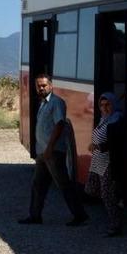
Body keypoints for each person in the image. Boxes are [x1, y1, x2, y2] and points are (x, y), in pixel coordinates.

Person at [18, 74, 88, 226]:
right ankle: (35, 216)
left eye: (44, 85)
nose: (41, 88)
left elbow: (59, 124)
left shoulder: (56, 102)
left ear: (51, 86)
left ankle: (80, 215)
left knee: (63, 184)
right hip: (42, 152)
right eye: (38, 86)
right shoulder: (42, 103)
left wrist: (50, 147)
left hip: (53, 152)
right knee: (37, 184)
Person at [86, 92, 123, 236]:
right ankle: (116, 204)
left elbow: (116, 144)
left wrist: (99, 147)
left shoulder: (116, 121)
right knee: (90, 189)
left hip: (107, 162)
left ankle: (115, 225)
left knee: (107, 195)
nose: (104, 107)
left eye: (108, 104)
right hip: (97, 160)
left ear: (114, 105)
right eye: (102, 105)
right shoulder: (104, 119)